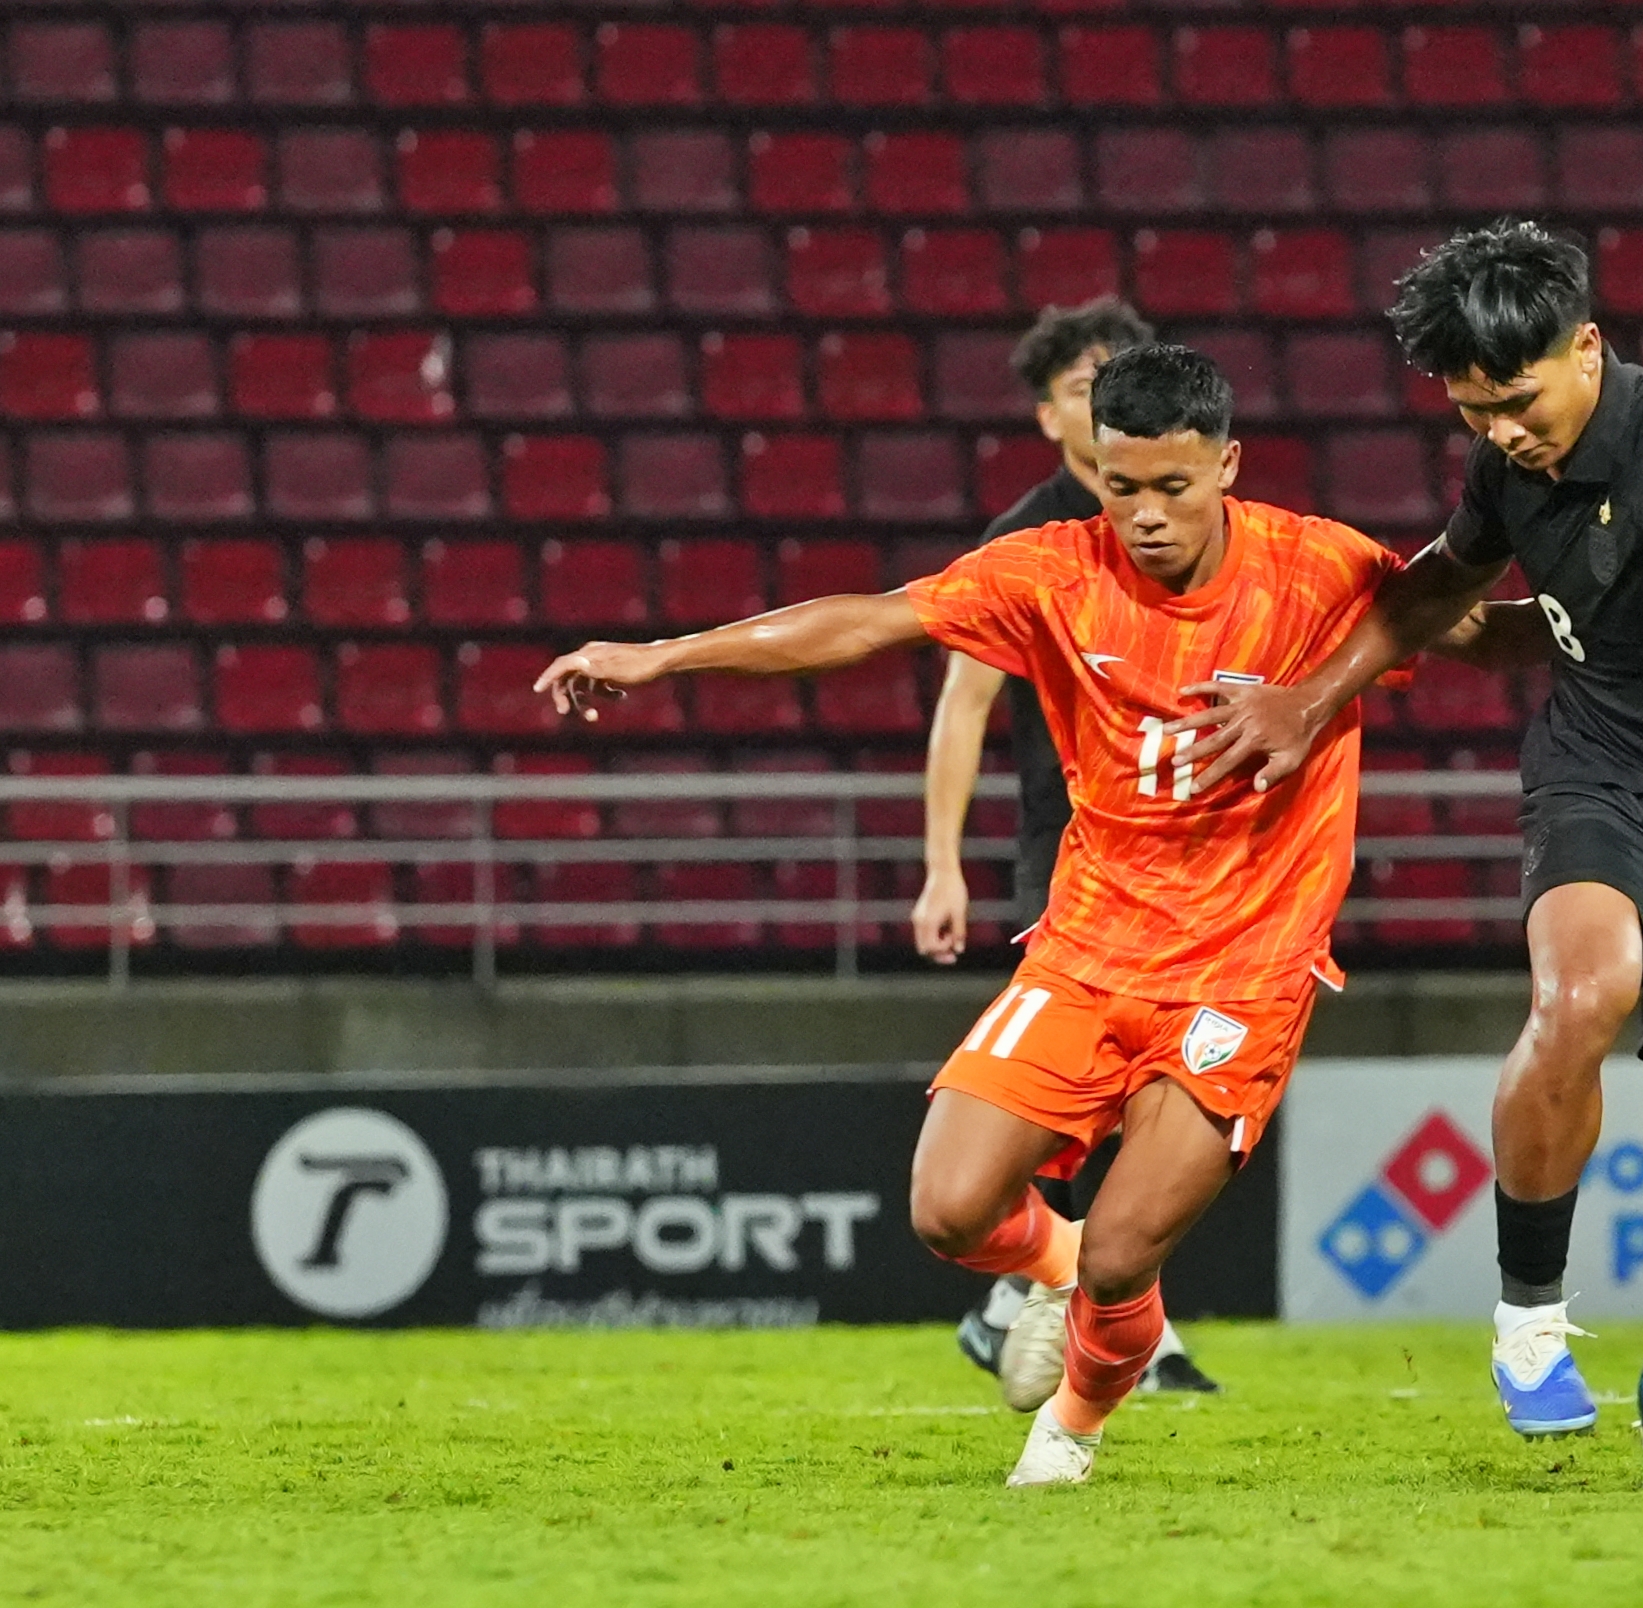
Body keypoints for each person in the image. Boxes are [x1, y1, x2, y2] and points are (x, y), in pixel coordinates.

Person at [534, 344, 1526, 1488]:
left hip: (1244, 971)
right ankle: (1059, 1273)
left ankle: (1071, 1427)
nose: (1144, 515)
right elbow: (865, 622)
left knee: (1124, 1256)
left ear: (1227, 466)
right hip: (1088, 949)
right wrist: (663, 657)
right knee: (948, 1209)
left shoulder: (1316, 567)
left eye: (1173, 486)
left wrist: (1627, 630)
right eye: (1121, 486)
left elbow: (1464, 629)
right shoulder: (1053, 571)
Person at [1168, 221, 1643, 1492]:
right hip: (1602, 776)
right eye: (1474, 410)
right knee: (1578, 998)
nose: (1501, 433)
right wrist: (1306, 700)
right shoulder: (1508, 458)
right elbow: (1439, 589)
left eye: (1519, 402)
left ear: (1588, 348)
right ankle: (1530, 1324)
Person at [909, 297, 1217, 1397]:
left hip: (1191, 855)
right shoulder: (1028, 542)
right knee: (1105, 1089)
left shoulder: (1204, 526)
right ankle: (1103, 1306)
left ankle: (1025, 1299)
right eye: (1083, 389)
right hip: (1074, 844)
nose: (1107, 403)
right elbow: (963, 703)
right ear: (1048, 417)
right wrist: (942, 865)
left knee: (1158, 1090)